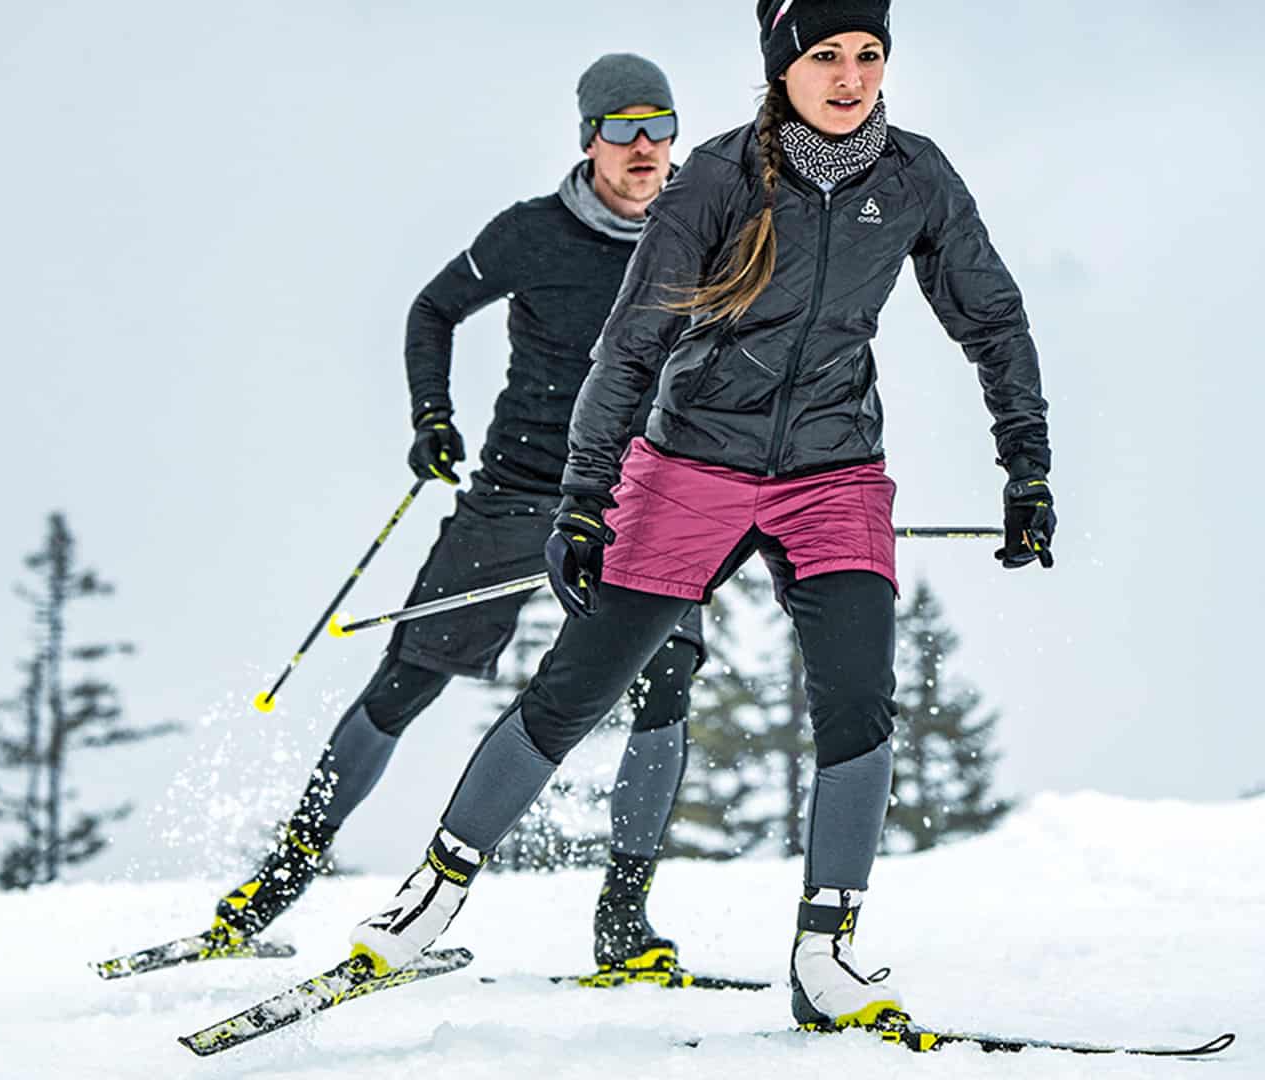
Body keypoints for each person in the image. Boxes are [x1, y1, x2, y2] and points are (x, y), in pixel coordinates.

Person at [348, 0, 1055, 1035]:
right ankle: (432, 895)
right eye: (827, 55)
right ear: (782, 65)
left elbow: (990, 317)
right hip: (691, 466)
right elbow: (630, 348)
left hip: (834, 471)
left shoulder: (915, 178)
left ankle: (825, 954)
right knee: (577, 686)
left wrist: (1026, 466)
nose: (852, 76)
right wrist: (587, 498)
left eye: (869, 53)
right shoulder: (721, 180)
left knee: (859, 698)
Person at [211, 54, 709, 978]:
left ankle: (622, 923)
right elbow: (434, 307)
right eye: (621, 128)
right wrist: (431, 416)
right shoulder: (531, 234)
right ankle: (276, 881)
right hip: (519, 488)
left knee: (664, 688)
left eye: (659, 126)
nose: (643, 148)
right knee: (410, 677)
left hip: (646, 500)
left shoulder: (706, 229)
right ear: (588, 139)